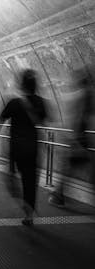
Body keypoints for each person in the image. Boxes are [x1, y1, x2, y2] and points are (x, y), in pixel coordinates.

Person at [0, 69, 48, 226]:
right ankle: (29, 214)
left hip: (16, 149)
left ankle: (19, 197)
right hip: (33, 149)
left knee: (10, 176)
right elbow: (44, 121)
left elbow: (1, 119)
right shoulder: (41, 102)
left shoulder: (14, 102)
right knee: (30, 180)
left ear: (22, 85)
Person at [48, 67, 94, 207]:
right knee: (81, 170)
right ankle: (58, 195)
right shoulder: (87, 94)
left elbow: (75, 118)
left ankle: (58, 196)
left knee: (66, 170)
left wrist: (73, 138)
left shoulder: (79, 95)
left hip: (76, 140)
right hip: (81, 139)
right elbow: (82, 117)